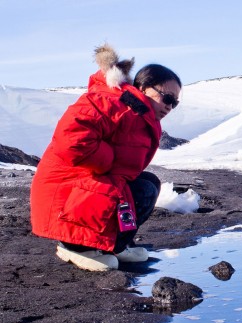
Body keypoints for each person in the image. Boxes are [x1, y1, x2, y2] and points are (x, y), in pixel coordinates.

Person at [30, 44, 181, 271]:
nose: (170, 106)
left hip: (83, 189)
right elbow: (71, 140)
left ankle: (111, 246)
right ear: (144, 87)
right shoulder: (109, 101)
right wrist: (109, 160)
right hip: (64, 196)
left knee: (146, 184)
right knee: (139, 189)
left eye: (175, 102)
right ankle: (74, 246)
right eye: (167, 97)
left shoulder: (139, 113)